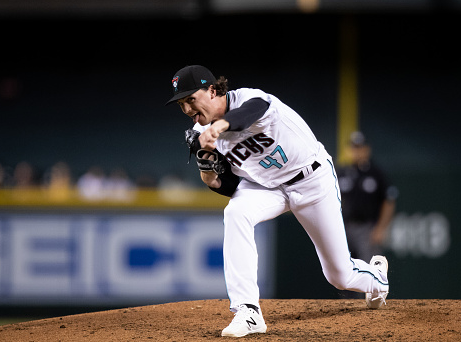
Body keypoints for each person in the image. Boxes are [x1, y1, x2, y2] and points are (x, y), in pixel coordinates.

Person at [166, 65, 389, 338]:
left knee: (340, 276)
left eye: (191, 99)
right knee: (236, 212)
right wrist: (209, 176)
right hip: (266, 187)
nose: (188, 109)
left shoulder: (248, 99)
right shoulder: (205, 133)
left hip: (311, 179)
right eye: (181, 104)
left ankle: (377, 279)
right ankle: (247, 311)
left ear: (213, 90)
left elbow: (252, 112)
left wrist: (220, 127)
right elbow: (232, 185)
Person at [337, 132, 398, 299]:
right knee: (344, 269)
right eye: (354, 148)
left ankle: (374, 303)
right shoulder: (342, 172)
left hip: (367, 229)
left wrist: (380, 228)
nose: (357, 151)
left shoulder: (376, 173)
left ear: (367, 149)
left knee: (369, 266)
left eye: (360, 148)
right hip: (345, 228)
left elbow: (389, 200)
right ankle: (346, 308)